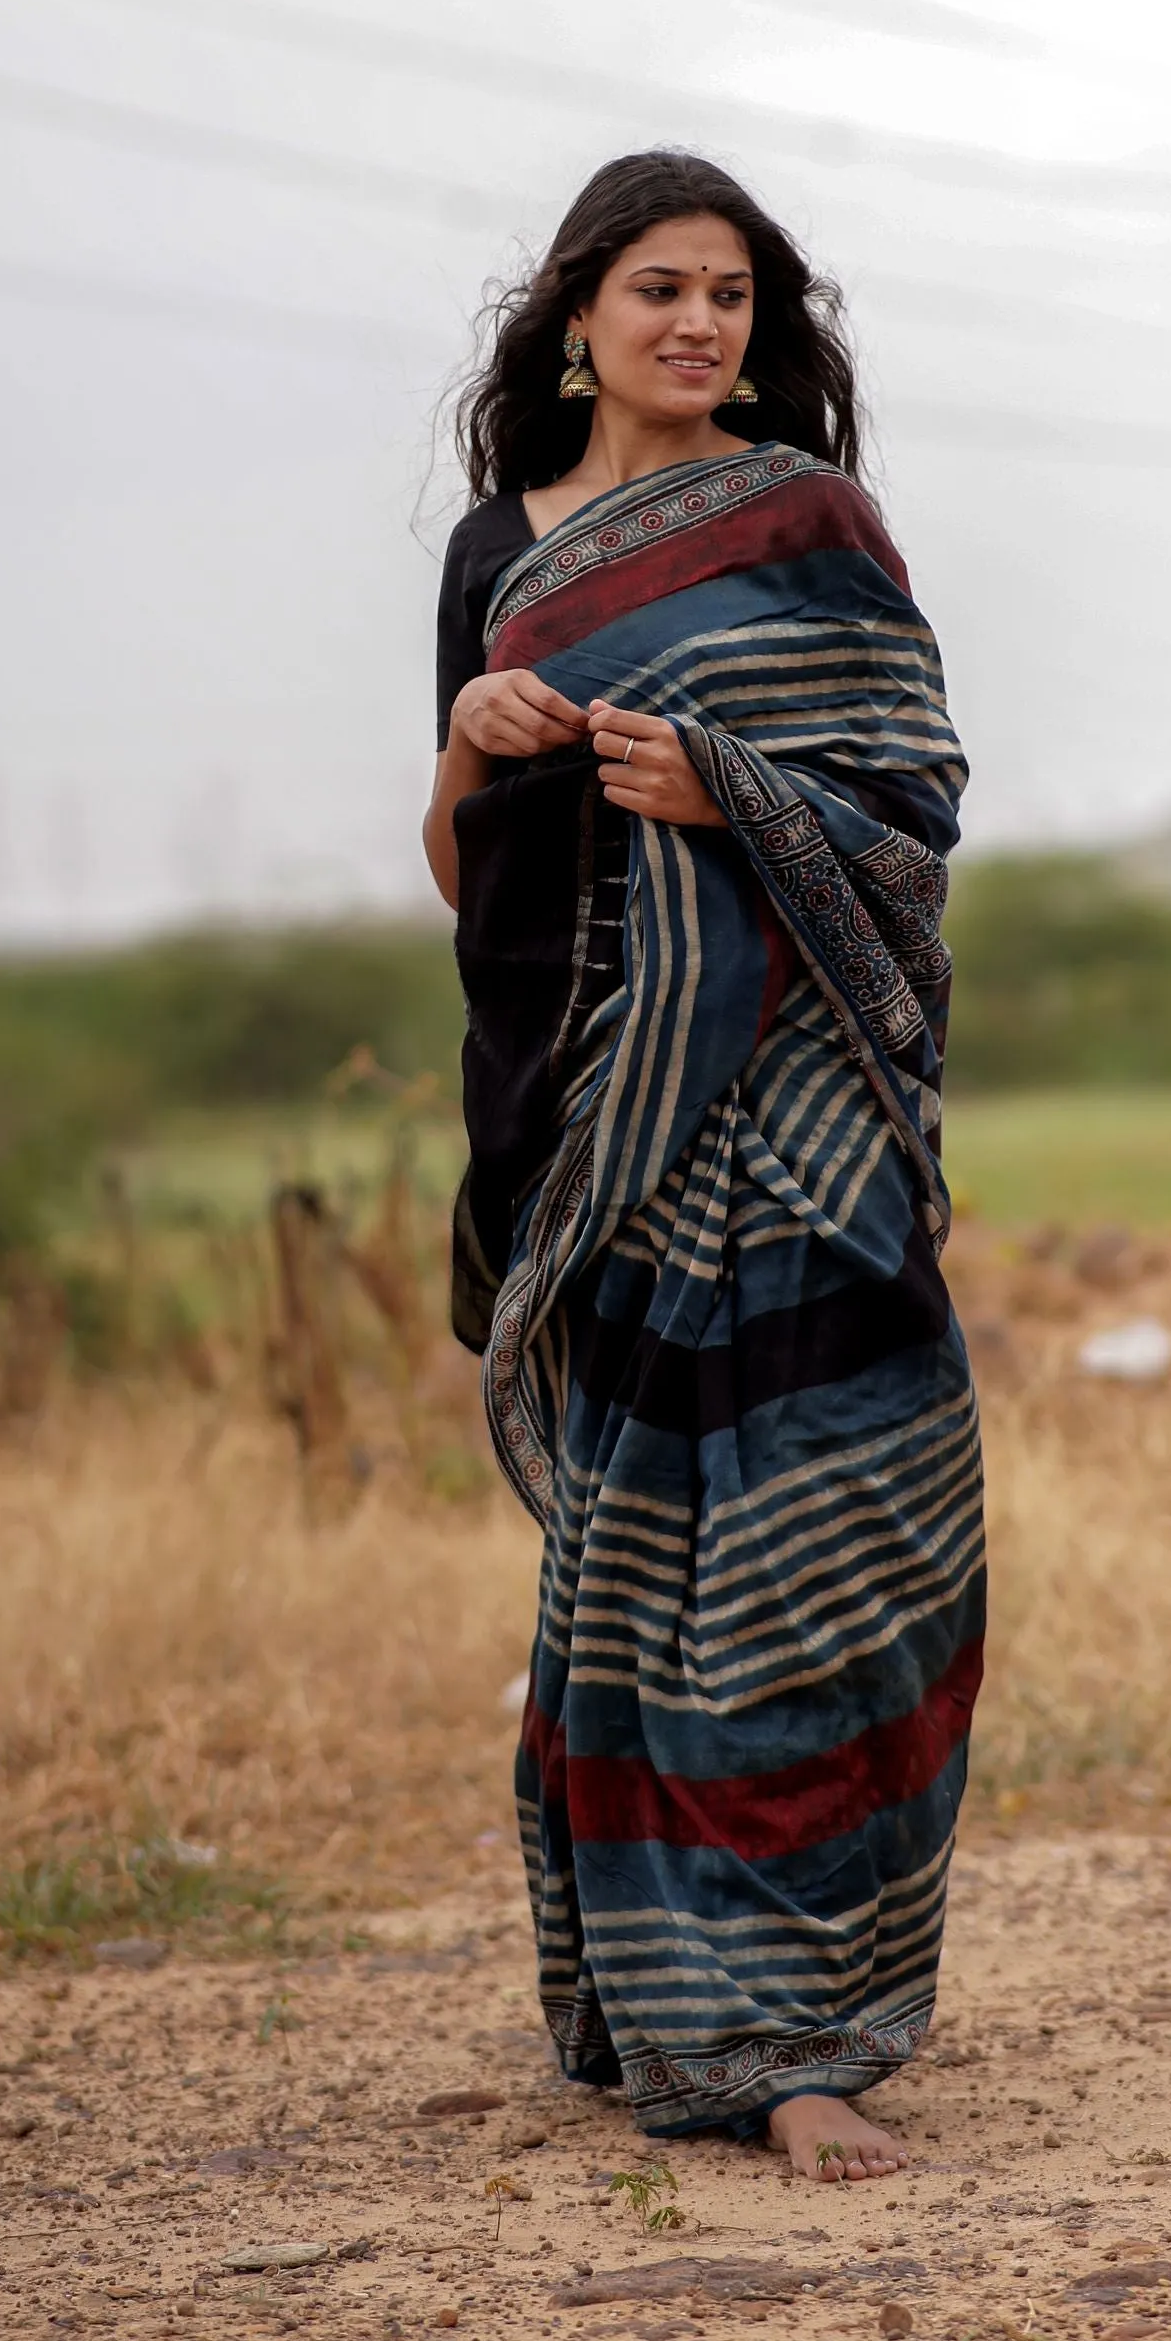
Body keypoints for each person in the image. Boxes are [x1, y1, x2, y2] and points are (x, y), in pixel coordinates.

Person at [425, 149, 985, 2186]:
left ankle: (813, 2012)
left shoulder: (811, 526)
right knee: (648, 1577)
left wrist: (725, 791)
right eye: (658, 289)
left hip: (808, 1115)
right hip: (614, 1120)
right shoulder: (501, 551)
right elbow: (450, 865)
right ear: (575, 311)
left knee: (849, 1549)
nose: (697, 325)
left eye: (731, 296)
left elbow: (909, 819)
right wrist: (487, 739)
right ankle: (696, 2021)